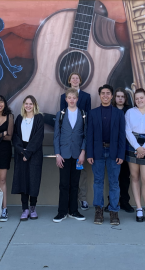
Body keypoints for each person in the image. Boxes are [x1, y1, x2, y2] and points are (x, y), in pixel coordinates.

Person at [86, 84, 126, 226]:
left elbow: (122, 136)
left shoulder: (119, 113)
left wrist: (121, 154)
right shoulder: (93, 113)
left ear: (112, 96)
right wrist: (89, 153)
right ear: (100, 95)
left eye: (108, 93)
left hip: (114, 152)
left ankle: (114, 212)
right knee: (98, 182)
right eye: (103, 93)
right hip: (97, 152)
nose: (105, 95)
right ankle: (99, 210)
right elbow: (89, 135)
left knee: (114, 183)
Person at [53, 88, 87, 222]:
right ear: (66, 99)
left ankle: (73, 210)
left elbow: (86, 135)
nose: (72, 100)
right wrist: (57, 154)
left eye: (74, 97)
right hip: (64, 155)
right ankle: (62, 212)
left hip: (78, 155)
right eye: (69, 97)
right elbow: (56, 136)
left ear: (77, 99)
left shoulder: (83, 114)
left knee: (75, 183)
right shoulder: (61, 114)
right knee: (63, 184)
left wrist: (83, 152)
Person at [124, 88, 145, 222]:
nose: (139, 100)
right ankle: (139, 208)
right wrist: (137, 147)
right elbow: (127, 130)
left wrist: (144, 149)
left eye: (141, 98)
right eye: (137, 98)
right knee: (134, 177)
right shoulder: (129, 112)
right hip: (133, 144)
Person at [60, 72, 92, 211]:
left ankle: (82, 199)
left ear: (80, 80)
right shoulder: (63, 97)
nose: (75, 79)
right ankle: (67, 203)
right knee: (66, 177)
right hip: (67, 146)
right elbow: (62, 120)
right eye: (72, 78)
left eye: (77, 78)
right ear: (69, 80)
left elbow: (88, 119)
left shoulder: (86, 96)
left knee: (81, 173)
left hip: (80, 144)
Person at [12, 96, 45, 221]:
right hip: (21, 152)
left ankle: (32, 207)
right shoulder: (20, 118)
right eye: (26, 103)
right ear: (23, 105)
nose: (28, 106)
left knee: (34, 180)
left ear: (34, 105)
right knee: (23, 180)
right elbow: (15, 136)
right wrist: (21, 151)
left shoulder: (39, 118)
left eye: (31, 104)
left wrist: (28, 152)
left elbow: (38, 137)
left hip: (34, 153)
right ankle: (25, 208)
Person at [104, 88, 134, 214]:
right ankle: (112, 201)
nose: (120, 98)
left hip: (127, 148)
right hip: (112, 148)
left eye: (122, 96)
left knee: (125, 177)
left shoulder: (130, 111)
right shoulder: (110, 111)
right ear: (113, 98)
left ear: (125, 99)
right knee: (113, 177)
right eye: (118, 96)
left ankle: (125, 202)